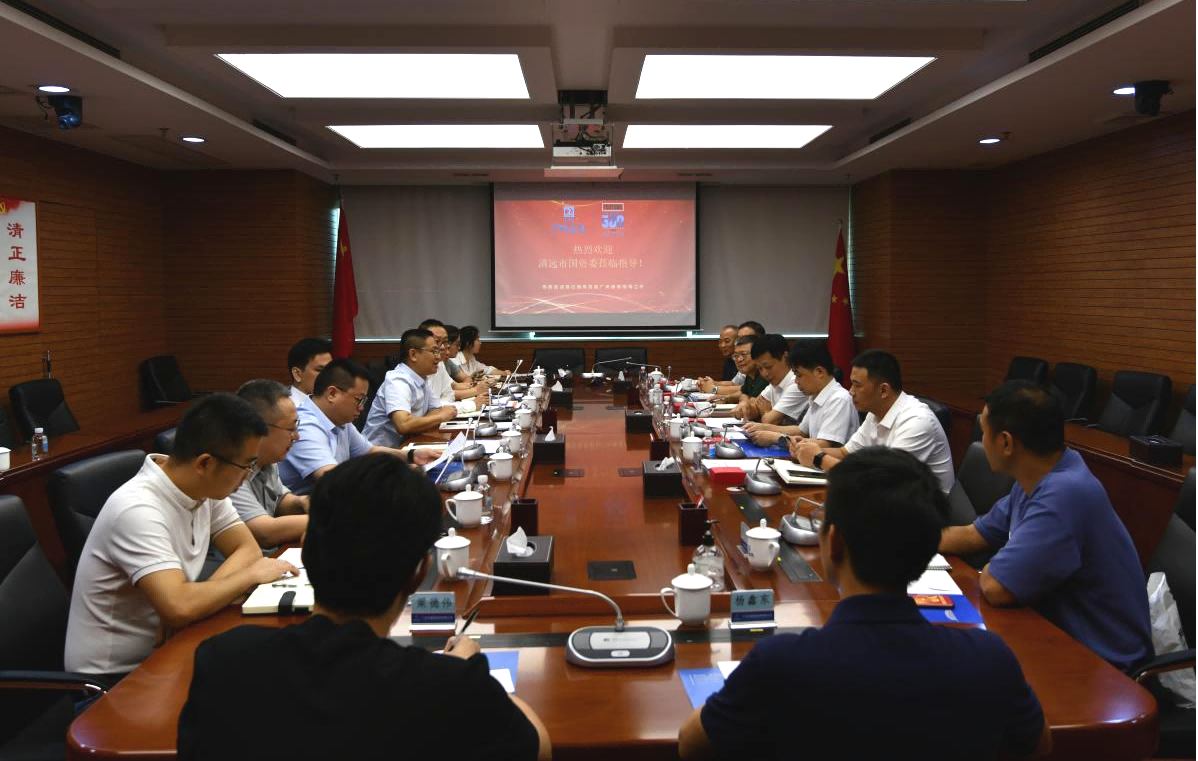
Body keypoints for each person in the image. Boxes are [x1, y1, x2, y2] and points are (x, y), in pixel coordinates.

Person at [678, 447, 1050, 760]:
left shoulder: (779, 664)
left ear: (834, 542)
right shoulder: (990, 660)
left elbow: (691, 745)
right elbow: (1039, 748)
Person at [177, 454, 552, 761]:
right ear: (419, 572)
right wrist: (468, 671)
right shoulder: (447, 686)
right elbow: (538, 745)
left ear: (306, 548)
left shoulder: (222, 659)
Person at [65, 394, 298, 678]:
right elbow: (179, 606)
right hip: (115, 679)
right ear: (204, 464)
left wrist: (197, 602)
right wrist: (245, 578)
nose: (247, 477)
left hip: (173, 649)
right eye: (245, 467)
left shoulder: (204, 488)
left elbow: (247, 549)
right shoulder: (137, 509)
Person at [939, 381, 1153, 672]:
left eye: (984, 431)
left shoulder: (1065, 493)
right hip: (1054, 638)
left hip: (1104, 666)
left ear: (1006, 443)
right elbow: (975, 534)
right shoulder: (1037, 478)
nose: (981, 440)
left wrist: (994, 568)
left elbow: (997, 587)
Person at [795, 349, 954, 492]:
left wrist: (819, 458)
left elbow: (884, 482)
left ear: (883, 390)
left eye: (857, 385)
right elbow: (845, 453)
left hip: (925, 509)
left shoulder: (917, 422)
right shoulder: (875, 412)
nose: (850, 392)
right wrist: (806, 449)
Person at [280, 359, 431, 495]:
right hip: (307, 509)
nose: (361, 408)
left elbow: (370, 451)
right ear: (332, 393)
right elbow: (331, 478)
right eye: (359, 400)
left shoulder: (339, 419)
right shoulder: (305, 426)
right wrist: (395, 474)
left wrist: (411, 455)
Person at [230, 380, 309, 549]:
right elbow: (265, 533)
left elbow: (278, 501)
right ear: (259, 429)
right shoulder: (228, 466)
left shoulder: (267, 458)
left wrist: (302, 502)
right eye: (291, 429)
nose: (297, 436)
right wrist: (329, 519)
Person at [743, 339, 859, 448]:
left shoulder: (839, 399)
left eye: (799, 375)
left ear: (819, 372)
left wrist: (776, 438)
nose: (796, 381)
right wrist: (764, 427)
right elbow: (801, 431)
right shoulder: (816, 396)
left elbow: (824, 445)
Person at [362, 328, 459, 448]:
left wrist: (418, 424)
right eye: (434, 351)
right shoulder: (397, 381)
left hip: (406, 445)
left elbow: (436, 409)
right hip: (380, 454)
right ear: (413, 354)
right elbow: (403, 424)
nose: (439, 357)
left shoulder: (421, 378)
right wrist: (440, 417)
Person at [734, 333, 806, 424]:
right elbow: (755, 409)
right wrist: (745, 407)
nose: (764, 374)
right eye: (759, 368)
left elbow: (769, 420)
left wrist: (765, 412)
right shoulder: (774, 383)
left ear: (785, 357)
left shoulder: (797, 383)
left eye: (768, 367)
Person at [420, 319, 489, 409]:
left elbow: (449, 395)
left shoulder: (439, 365)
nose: (443, 347)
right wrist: (473, 401)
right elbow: (433, 407)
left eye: (445, 342)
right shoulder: (407, 378)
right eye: (437, 341)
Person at [699, 322, 766, 396]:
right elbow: (742, 389)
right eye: (739, 338)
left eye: (746, 338)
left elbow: (745, 391)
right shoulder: (745, 367)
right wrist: (712, 384)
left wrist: (714, 389)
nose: (741, 342)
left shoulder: (764, 369)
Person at [286, 337, 332, 409]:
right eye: (320, 370)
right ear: (297, 374)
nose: (329, 375)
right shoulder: (281, 410)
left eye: (330, 369)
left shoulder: (334, 406)